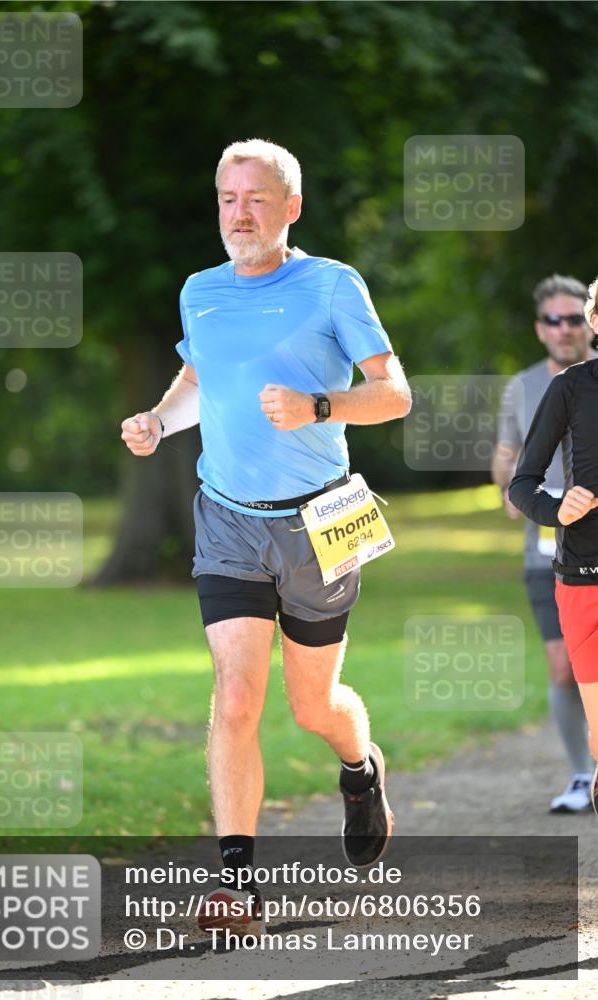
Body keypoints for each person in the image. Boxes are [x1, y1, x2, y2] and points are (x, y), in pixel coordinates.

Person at [120, 138, 411, 932]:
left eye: (255, 199)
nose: (239, 215)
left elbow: (394, 395)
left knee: (312, 705)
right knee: (236, 694)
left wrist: (320, 406)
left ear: (291, 207)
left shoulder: (330, 285)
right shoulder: (200, 291)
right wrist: (157, 419)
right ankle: (237, 881)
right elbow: (197, 380)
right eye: (227, 199)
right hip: (226, 519)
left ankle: (358, 768)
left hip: (322, 520)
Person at [492, 274, 596, 812]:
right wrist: (519, 491)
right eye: (554, 320)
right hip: (547, 549)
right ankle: (583, 774)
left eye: (573, 318)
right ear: (540, 328)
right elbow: (508, 460)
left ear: (589, 322)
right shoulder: (526, 386)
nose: (564, 328)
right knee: (563, 665)